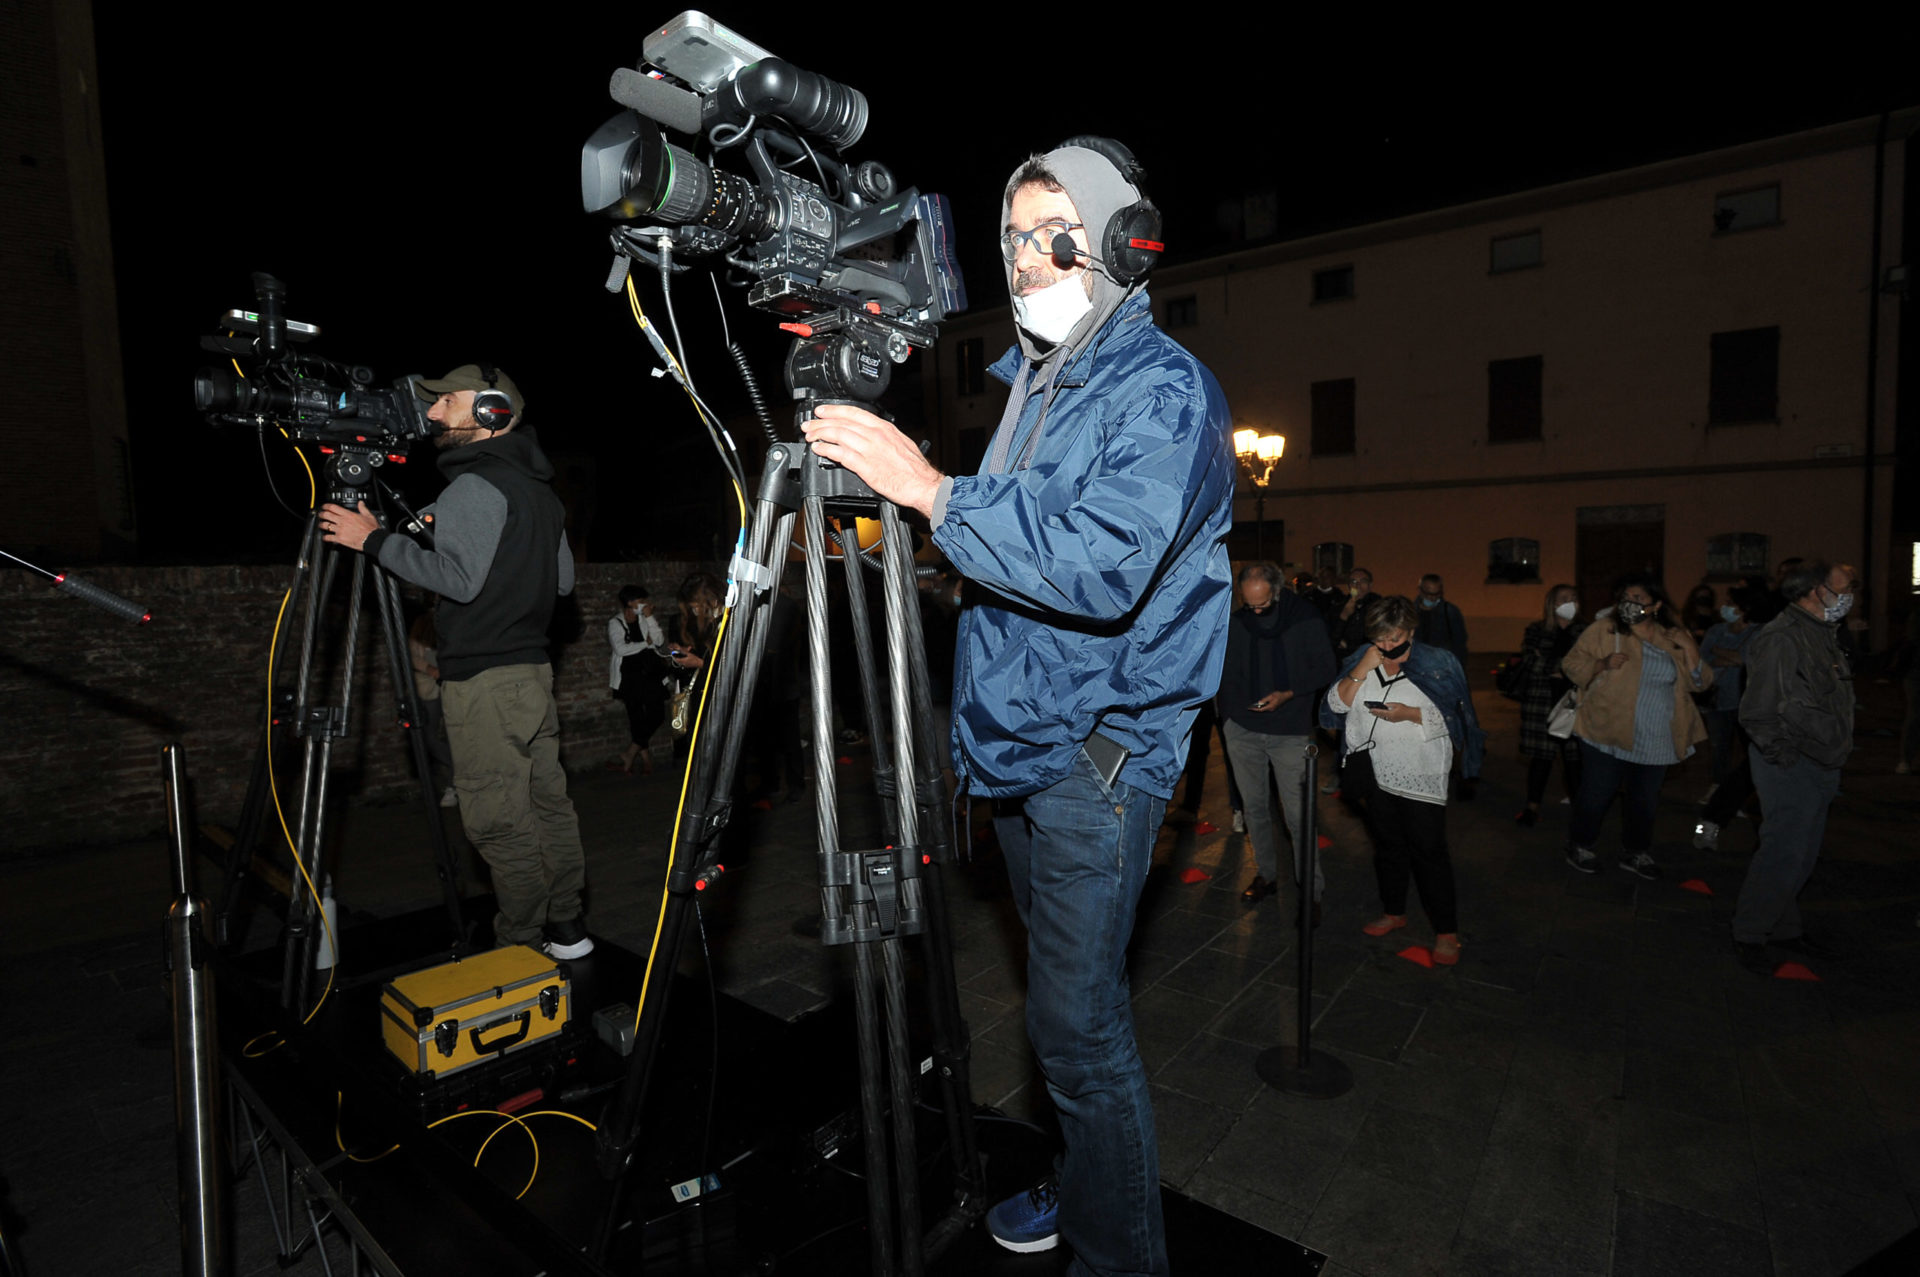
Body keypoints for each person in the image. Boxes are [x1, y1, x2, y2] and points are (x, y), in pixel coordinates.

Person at [801, 136, 1231, 1277]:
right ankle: (1084, 1180)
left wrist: (936, 491)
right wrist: (905, 519)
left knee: (1080, 1038)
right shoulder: (1036, 383)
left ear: (1122, 246)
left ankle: (1118, 1255)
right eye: (1010, 239)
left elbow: (1100, 564)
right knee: (1059, 1023)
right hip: (1022, 745)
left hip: (1096, 758)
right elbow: (1011, 560)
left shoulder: (1165, 390)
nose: (1023, 262)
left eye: (1051, 236)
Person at [320, 364, 593, 959]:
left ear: (493, 412)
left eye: (448, 401)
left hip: (485, 683)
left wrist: (373, 540)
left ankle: (519, 944)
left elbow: (459, 582)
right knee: (548, 806)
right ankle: (568, 928)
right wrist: (472, 537)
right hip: (532, 676)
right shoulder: (540, 492)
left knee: (500, 821)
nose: (435, 413)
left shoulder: (472, 486)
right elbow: (563, 581)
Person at [1321, 595, 1483, 965]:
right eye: (1380, 637)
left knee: (1429, 853)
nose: (1388, 645)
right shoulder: (1365, 658)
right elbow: (1335, 705)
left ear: (1411, 630)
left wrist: (1409, 714)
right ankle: (1394, 911)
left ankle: (1446, 931)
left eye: (1395, 637)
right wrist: (1362, 665)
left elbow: (1458, 721)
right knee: (1388, 848)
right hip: (1376, 772)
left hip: (1420, 773)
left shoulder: (1438, 663)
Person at [1731, 562, 1857, 974]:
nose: (1851, 591)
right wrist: (1782, 756)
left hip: (1820, 761)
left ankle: (1785, 929)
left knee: (1801, 855)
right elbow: (1757, 711)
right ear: (1815, 591)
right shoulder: (1783, 638)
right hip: (1791, 761)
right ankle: (1750, 934)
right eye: (1843, 584)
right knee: (1783, 853)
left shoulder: (1822, 634)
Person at [1560, 575, 1711, 880]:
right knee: (1597, 793)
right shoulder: (1605, 629)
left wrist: (1690, 647)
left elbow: (1702, 683)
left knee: (1644, 800)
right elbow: (1572, 665)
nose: (1630, 604)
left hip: (1657, 735)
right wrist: (1601, 664)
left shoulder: (1673, 636)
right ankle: (1581, 845)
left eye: (1638, 598)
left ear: (1655, 604)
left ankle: (1635, 851)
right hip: (1606, 729)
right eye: (1625, 597)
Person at [1218, 562, 1336, 913]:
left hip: (1289, 730)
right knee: (1254, 809)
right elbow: (1224, 672)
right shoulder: (1238, 624)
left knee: (1299, 816)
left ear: (1279, 592)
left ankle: (1311, 891)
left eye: (1262, 605)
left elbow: (1326, 668)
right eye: (1249, 604)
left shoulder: (1305, 619)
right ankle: (1266, 875)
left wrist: (1288, 693)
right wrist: (1229, 718)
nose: (1255, 611)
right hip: (1243, 730)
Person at [1514, 583, 1584, 827]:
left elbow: (1589, 664)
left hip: (1575, 703)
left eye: (1574, 598)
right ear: (1552, 604)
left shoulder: (1585, 631)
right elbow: (1531, 662)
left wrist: (1557, 667)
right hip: (1542, 703)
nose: (1570, 602)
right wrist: (1567, 668)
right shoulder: (1536, 630)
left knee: (1575, 760)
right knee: (1541, 759)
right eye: (1564, 598)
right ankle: (1532, 807)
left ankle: (1581, 808)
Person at [1697, 585, 1759, 791]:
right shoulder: (1716, 630)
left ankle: (1746, 791)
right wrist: (1729, 658)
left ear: (1744, 608)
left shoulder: (1758, 632)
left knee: (1749, 750)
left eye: (1731, 604)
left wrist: (1719, 652)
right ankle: (1718, 788)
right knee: (1719, 747)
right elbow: (1703, 658)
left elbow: (1746, 659)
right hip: (1718, 698)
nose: (1725, 607)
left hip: (1745, 700)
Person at [608, 584, 667, 775]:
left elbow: (658, 641)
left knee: (657, 714)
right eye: (640, 601)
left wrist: (649, 617)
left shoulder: (645, 618)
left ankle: (629, 753)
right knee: (636, 718)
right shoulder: (615, 622)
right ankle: (643, 760)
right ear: (630, 603)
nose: (644, 604)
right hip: (629, 676)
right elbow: (621, 649)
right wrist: (644, 643)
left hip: (650, 673)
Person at [408, 608, 458, 808]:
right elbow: (411, 655)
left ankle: (454, 785)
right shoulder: (421, 625)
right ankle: (457, 775)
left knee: (455, 737)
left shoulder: (454, 619)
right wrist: (430, 669)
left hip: (453, 689)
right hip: (429, 690)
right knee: (428, 738)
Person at [1413, 573, 1471, 669]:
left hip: (1442, 666)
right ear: (1420, 591)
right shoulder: (1411, 612)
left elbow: (1459, 642)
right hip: (1417, 665)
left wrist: (1458, 666)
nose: (1432, 598)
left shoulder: (1450, 612)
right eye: (1429, 594)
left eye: (1436, 594)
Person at [1331, 567, 1380, 659]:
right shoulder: (1338, 606)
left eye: (1363, 581)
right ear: (1348, 586)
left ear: (1370, 585)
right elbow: (1332, 641)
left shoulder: (1378, 605)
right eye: (1353, 582)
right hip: (1344, 659)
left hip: (1370, 657)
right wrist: (1344, 616)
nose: (1358, 586)